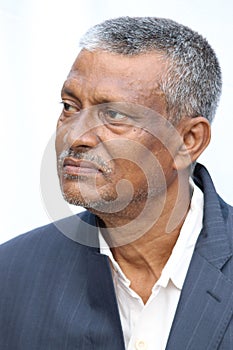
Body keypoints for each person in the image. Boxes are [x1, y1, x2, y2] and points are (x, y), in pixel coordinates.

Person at [0, 16, 233, 350]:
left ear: (188, 140)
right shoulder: (11, 278)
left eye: (115, 116)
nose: (75, 136)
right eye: (69, 106)